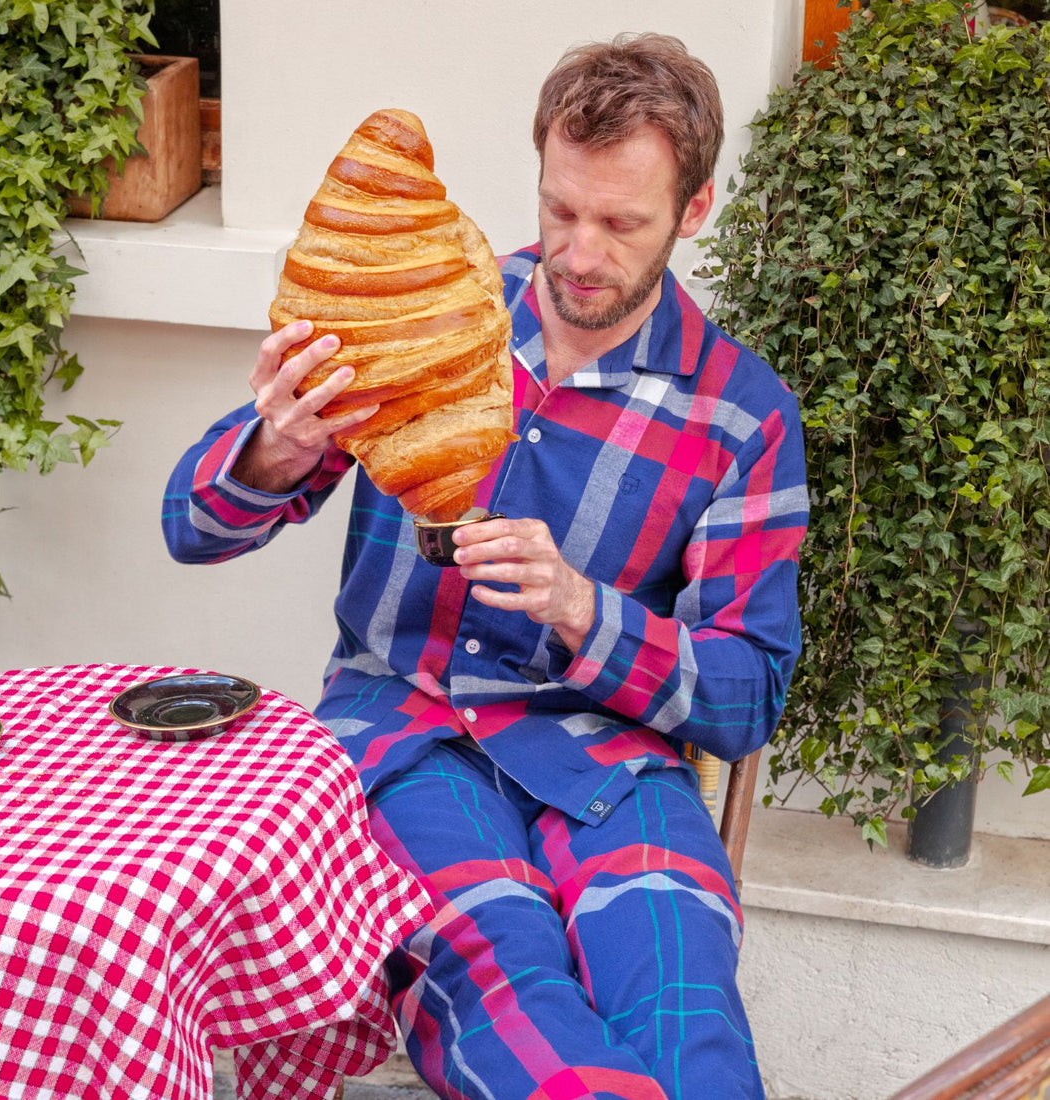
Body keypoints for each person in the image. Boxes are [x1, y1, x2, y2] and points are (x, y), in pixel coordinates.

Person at [164, 32, 808, 1100]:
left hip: (610, 765)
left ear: (692, 210)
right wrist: (277, 445)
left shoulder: (742, 413)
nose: (578, 253)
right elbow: (192, 526)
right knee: (499, 979)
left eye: (621, 223)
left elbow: (745, 697)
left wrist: (581, 609)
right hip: (405, 735)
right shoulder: (427, 314)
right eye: (560, 210)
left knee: (686, 1010)